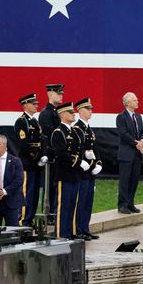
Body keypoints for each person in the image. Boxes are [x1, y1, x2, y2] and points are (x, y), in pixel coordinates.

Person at [50, 102, 90, 239]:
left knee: (73, 204)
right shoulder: (58, 133)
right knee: (63, 206)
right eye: (70, 113)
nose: (73, 114)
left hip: (75, 175)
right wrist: (79, 162)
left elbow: (79, 150)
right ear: (62, 115)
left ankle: (71, 232)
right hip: (65, 174)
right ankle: (61, 234)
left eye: (73, 112)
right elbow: (61, 154)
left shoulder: (74, 131)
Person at [12, 93, 45, 226]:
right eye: (33, 103)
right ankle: (23, 220)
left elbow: (40, 139)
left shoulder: (34, 121)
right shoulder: (21, 121)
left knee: (35, 193)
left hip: (36, 163)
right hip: (27, 162)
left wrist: (43, 153)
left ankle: (29, 218)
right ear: (26, 105)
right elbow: (23, 144)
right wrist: (36, 156)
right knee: (27, 193)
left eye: (36, 103)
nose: (36, 105)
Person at [73, 98, 102, 240]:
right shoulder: (77, 129)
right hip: (82, 172)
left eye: (91, 108)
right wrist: (90, 164)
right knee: (81, 201)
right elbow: (79, 151)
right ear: (81, 111)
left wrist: (99, 163)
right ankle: (79, 229)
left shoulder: (88, 129)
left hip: (90, 172)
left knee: (88, 201)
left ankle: (85, 228)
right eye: (88, 109)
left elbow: (95, 148)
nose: (91, 111)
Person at [116, 92, 143, 214]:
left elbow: (142, 132)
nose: (137, 102)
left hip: (137, 154)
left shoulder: (138, 117)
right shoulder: (121, 117)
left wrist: (142, 141)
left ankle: (130, 203)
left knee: (134, 179)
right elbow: (123, 134)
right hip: (126, 154)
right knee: (125, 180)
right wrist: (136, 143)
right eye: (135, 100)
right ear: (127, 103)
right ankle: (122, 205)